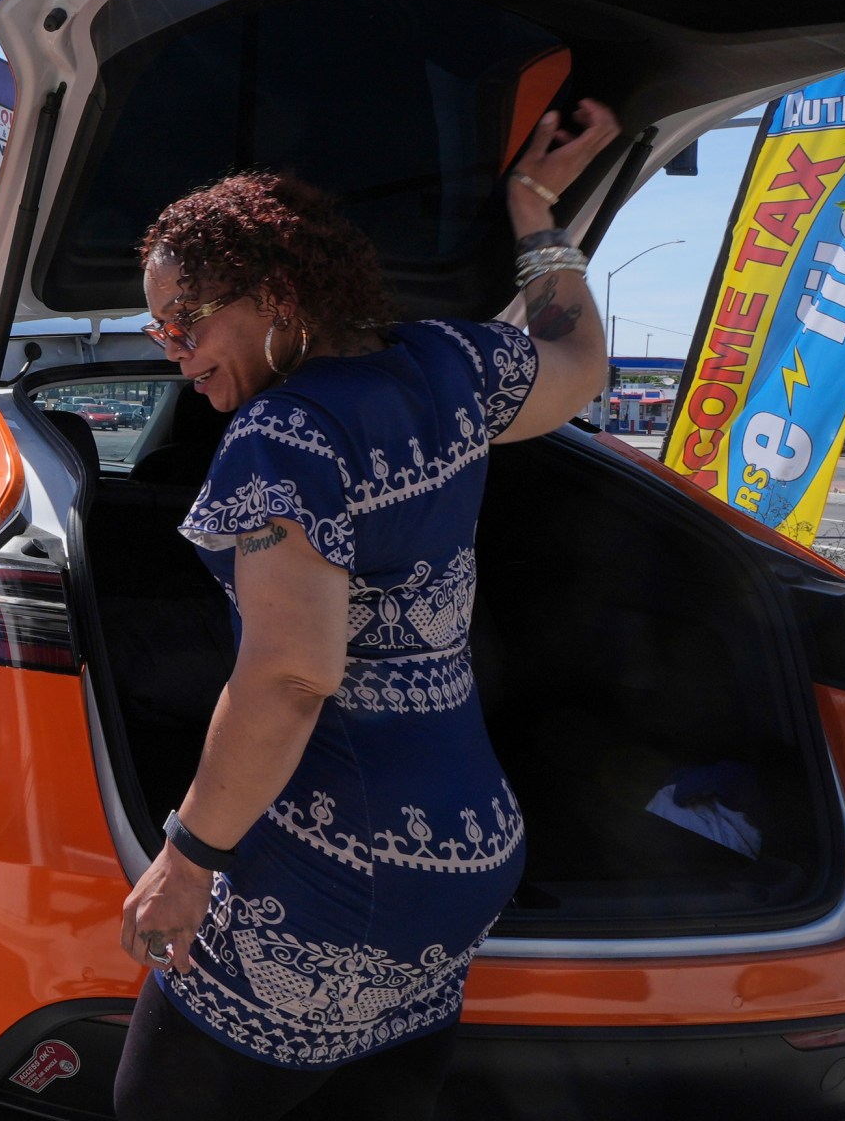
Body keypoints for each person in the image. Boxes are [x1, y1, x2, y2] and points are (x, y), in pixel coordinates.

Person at [111, 100, 621, 1120]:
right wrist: (533, 211)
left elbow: (293, 675)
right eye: (159, 328)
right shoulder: (453, 364)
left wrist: (188, 857)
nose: (173, 350)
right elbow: (579, 364)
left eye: (185, 322)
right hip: (467, 849)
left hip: (340, 866)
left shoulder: (282, 437)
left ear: (272, 294)